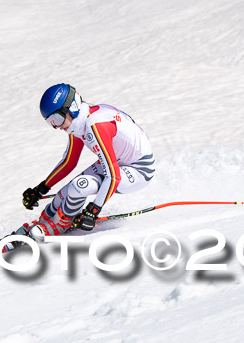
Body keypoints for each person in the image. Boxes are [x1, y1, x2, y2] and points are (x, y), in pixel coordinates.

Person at [21, 83, 156, 237]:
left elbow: (113, 177)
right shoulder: (78, 124)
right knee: (64, 194)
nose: (56, 126)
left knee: (79, 186)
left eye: (57, 119)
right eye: (50, 122)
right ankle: (45, 220)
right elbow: (69, 162)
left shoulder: (96, 126)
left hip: (139, 170)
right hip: (119, 161)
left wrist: (93, 210)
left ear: (71, 108)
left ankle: (57, 226)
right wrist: (41, 189)